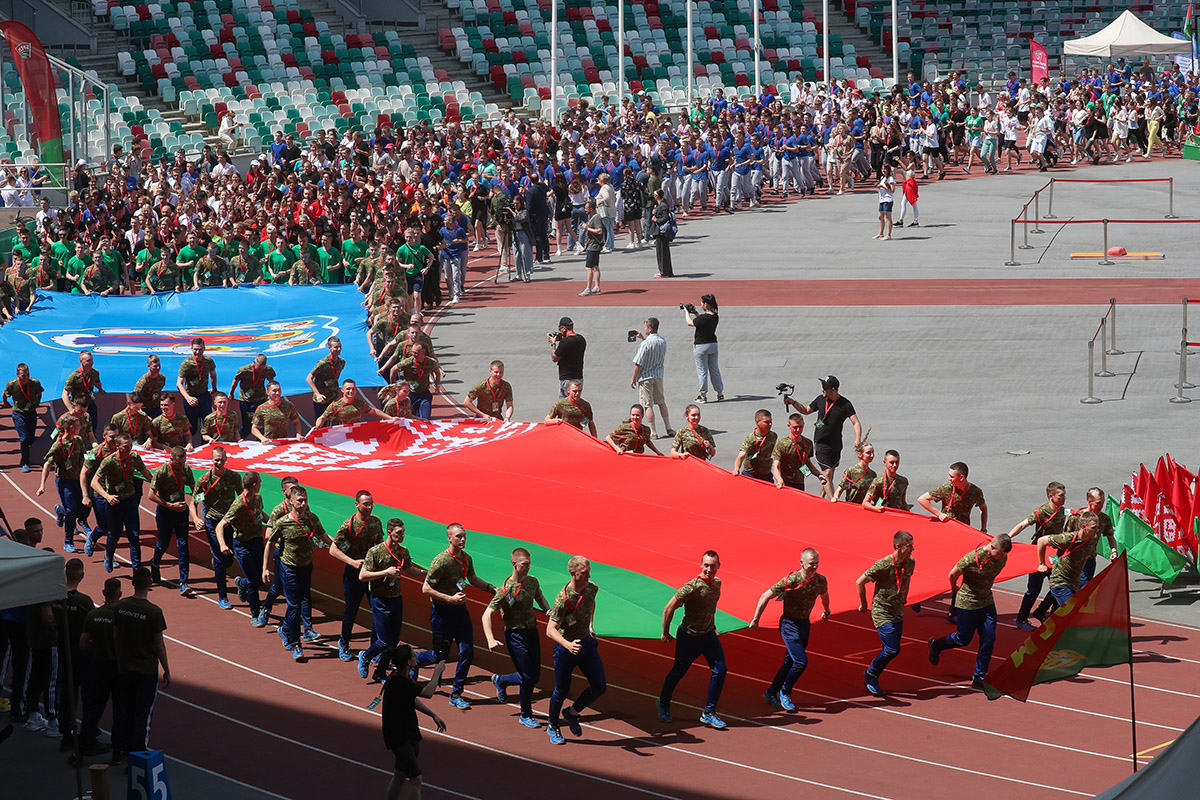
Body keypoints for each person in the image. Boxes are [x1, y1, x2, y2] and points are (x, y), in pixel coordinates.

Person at [412, 523, 496, 708]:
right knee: (438, 655)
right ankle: (416, 659)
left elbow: (472, 579)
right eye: (458, 536)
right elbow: (426, 588)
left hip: (460, 612)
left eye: (464, 536)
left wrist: (490, 588)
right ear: (449, 538)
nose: (463, 539)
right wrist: (449, 599)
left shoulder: (466, 558)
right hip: (441, 613)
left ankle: (456, 694)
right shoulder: (440, 561)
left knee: (467, 651)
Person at [749, 547, 831, 710]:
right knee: (801, 662)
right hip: (789, 624)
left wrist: (826, 610)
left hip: (804, 624)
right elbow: (766, 595)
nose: (814, 567)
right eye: (810, 564)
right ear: (801, 563)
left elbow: (824, 594)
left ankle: (771, 692)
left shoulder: (821, 580)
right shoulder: (791, 580)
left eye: (816, 564)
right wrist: (756, 619)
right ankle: (785, 693)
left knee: (790, 661)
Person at [927, 534, 1012, 688]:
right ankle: (937, 644)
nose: (1002, 557)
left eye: (1004, 555)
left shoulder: (1002, 558)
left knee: (989, 639)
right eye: (1000, 553)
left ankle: (979, 675)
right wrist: (954, 589)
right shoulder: (971, 559)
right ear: (992, 547)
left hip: (986, 602)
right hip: (967, 602)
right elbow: (952, 574)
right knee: (963, 639)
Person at [655, 550, 728, 728]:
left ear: (719, 566)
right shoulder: (692, 586)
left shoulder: (717, 583)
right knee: (679, 670)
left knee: (721, 670)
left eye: (713, 565)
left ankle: (709, 713)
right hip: (689, 637)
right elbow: (668, 608)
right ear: (701, 565)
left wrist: (713, 626)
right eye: (706, 565)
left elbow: (710, 608)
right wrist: (665, 632)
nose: (709, 569)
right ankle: (663, 702)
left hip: (709, 635)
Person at [482, 547, 551, 728]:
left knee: (534, 676)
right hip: (515, 635)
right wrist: (490, 638)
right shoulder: (505, 590)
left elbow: (540, 597)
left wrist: (548, 610)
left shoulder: (532, 582)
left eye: (529, 564)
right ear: (514, 564)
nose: (528, 568)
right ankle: (525, 715)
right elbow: (487, 614)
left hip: (532, 632)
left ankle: (501, 680)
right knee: (528, 677)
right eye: (524, 565)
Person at [262, 486, 333, 660]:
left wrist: (340, 549)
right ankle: (296, 644)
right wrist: (265, 568)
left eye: (305, 500)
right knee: (294, 605)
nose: (303, 504)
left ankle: (285, 628)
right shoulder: (283, 522)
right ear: (291, 501)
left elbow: (324, 537)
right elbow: (270, 543)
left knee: (303, 599)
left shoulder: (312, 519)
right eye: (299, 501)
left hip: (306, 566)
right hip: (289, 568)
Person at [545, 555, 606, 745]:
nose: (588, 576)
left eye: (589, 572)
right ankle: (553, 725)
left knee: (599, 686)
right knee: (561, 690)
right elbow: (550, 630)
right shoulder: (562, 599)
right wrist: (568, 645)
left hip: (586, 644)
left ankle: (572, 712)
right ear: (573, 573)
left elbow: (591, 603)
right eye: (584, 573)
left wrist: (590, 624)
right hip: (566, 649)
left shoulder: (591, 588)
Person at [111, 567, 169, 766]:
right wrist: (166, 668)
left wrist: (120, 657)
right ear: (150, 583)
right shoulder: (154, 612)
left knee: (123, 709)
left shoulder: (121, 606)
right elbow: (158, 644)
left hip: (124, 667)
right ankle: (137, 756)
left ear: (132, 583)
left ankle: (119, 749)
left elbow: (116, 636)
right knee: (142, 714)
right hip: (145, 670)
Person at [358, 518, 428, 678]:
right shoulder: (375, 552)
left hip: (396, 599)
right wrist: (385, 573)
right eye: (398, 533)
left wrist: (426, 574)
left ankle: (380, 671)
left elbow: (410, 570)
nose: (402, 536)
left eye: (403, 533)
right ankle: (366, 656)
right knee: (383, 640)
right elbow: (362, 575)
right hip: (380, 600)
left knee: (393, 641)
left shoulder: (403, 551)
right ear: (389, 532)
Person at [382, 644, 447, 800]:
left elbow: (412, 699)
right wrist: (437, 671)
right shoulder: (397, 681)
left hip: (409, 733)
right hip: (399, 737)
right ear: (408, 662)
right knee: (416, 779)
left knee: (399, 775)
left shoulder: (403, 679)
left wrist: (432, 714)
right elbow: (428, 692)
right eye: (413, 655)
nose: (416, 656)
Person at [856, 530, 915, 697]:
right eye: (909, 546)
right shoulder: (883, 564)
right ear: (898, 546)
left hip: (897, 610)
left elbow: (907, 579)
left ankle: (874, 674)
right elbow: (860, 581)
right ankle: (871, 674)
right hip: (881, 611)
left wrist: (904, 597)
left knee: (889, 648)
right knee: (892, 649)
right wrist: (864, 604)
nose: (912, 549)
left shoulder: (910, 562)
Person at [784, 376, 863, 499]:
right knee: (826, 472)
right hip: (821, 442)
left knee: (830, 474)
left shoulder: (845, 404)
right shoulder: (820, 400)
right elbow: (806, 410)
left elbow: (856, 422)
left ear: (833, 390)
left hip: (836, 443)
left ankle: (821, 497)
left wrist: (857, 438)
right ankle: (832, 500)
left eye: (825, 388)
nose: (822, 390)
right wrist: (792, 402)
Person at [330, 491, 386, 662]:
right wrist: (352, 562)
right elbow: (333, 550)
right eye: (365, 504)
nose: (369, 507)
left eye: (371, 504)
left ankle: (374, 648)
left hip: (371, 574)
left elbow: (380, 544)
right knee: (351, 610)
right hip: (354, 574)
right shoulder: (348, 525)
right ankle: (344, 642)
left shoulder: (376, 521)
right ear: (357, 504)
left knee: (377, 611)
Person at [1009, 481, 1068, 630]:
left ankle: (1041, 611)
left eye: (1064, 495)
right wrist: (1008, 537)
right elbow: (1023, 524)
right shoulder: (1042, 511)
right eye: (1060, 495)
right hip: (1040, 553)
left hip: (1054, 554)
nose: (1064, 498)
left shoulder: (1062, 511)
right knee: (1034, 590)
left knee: (1060, 584)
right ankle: (1021, 618)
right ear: (1051, 496)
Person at [91, 434, 153, 574]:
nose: (129, 448)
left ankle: (136, 569)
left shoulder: (134, 457)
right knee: (114, 534)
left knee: (134, 535)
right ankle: (109, 555)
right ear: (117, 446)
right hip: (114, 503)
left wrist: (157, 485)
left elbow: (146, 474)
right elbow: (94, 482)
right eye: (126, 446)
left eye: (130, 445)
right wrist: (107, 496)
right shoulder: (109, 461)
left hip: (130, 500)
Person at [214, 471, 269, 625]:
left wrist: (272, 523)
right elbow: (220, 526)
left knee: (260, 578)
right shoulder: (238, 504)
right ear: (254, 485)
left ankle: (241, 583)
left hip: (257, 541)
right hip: (243, 544)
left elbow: (260, 514)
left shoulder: (258, 498)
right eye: (260, 482)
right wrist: (223, 544)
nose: (261, 485)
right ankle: (255, 615)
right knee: (253, 581)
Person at [147, 446, 202, 596]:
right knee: (163, 544)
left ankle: (184, 582)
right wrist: (170, 505)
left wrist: (201, 500)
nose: (181, 466)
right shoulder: (161, 472)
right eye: (179, 463)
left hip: (181, 512)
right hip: (166, 512)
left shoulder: (186, 469)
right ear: (171, 459)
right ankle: (155, 563)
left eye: (184, 462)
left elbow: (194, 489)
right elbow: (150, 495)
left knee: (183, 545)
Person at [52, 558, 95, 747]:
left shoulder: (55, 598)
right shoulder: (84, 601)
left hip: (62, 646)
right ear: (82, 576)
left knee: (66, 691)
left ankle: (66, 733)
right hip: (81, 650)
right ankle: (87, 732)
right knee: (88, 693)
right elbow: (92, 627)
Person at [77, 577, 121, 759]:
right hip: (118, 668)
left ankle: (85, 743)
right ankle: (118, 751)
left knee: (93, 708)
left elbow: (83, 644)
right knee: (120, 709)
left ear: (103, 593)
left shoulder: (92, 615)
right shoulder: (121, 616)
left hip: (98, 666)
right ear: (120, 595)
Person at [196, 446, 243, 609]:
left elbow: (242, 497)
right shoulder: (204, 480)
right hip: (212, 522)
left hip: (230, 521)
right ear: (211, 459)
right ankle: (222, 596)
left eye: (222, 460)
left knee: (230, 557)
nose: (219, 463)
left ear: (226, 459)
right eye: (216, 460)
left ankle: (229, 571)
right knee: (220, 560)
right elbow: (194, 501)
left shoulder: (234, 477)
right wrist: (196, 518)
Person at [37, 416, 90, 553]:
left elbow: (85, 456)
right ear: (71, 428)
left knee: (83, 507)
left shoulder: (78, 440)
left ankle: (61, 511)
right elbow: (48, 464)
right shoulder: (58, 446)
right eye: (78, 425)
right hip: (65, 481)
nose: (80, 428)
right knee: (72, 512)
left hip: (79, 480)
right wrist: (42, 485)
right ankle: (68, 541)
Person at [1036, 511, 1101, 608]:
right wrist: (1042, 563)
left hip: (1074, 583)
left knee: (1062, 614)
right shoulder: (1068, 539)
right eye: (1093, 528)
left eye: (1097, 527)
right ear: (1083, 527)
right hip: (1060, 581)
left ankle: (1040, 612)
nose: (1097, 531)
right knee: (1071, 611)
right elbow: (1041, 541)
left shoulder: (1092, 539)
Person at [630, 317, 672, 438]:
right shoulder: (662, 341)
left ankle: (653, 431)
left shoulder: (645, 344)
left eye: (645, 327)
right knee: (661, 402)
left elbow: (639, 363)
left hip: (646, 377)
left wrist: (633, 378)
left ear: (649, 328)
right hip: (658, 375)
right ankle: (668, 427)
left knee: (647, 405)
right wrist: (643, 337)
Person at [2, 362, 43, 472]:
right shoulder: (12, 384)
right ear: (17, 374)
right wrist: (6, 402)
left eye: (28, 375)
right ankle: (25, 462)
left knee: (30, 439)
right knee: (24, 439)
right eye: (23, 376)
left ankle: (27, 447)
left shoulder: (34, 383)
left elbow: (39, 393)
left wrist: (37, 403)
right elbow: (4, 394)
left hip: (31, 412)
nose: (26, 378)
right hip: (18, 413)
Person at [770, 413, 826, 492]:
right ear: (789, 426)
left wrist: (818, 475)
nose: (798, 430)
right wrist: (779, 480)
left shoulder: (808, 443)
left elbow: (807, 462)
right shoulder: (782, 444)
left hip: (799, 482)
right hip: (785, 483)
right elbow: (776, 466)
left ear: (803, 424)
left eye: (800, 427)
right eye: (795, 427)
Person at [1075, 488, 1119, 587]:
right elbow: (1064, 537)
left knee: (1085, 588)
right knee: (1082, 588)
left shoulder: (1104, 519)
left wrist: (1114, 551)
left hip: (1090, 560)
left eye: (1102, 502)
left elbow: (1111, 539)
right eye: (1098, 503)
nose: (1101, 506)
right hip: (1075, 559)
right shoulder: (1077, 517)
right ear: (1089, 502)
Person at [177, 337, 218, 441]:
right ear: (191, 349)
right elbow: (179, 384)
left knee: (207, 427)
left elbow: (213, 375)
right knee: (192, 428)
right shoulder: (186, 363)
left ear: (204, 349)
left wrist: (214, 389)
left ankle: (205, 450)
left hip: (204, 396)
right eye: (195, 349)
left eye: (200, 349)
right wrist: (188, 398)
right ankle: (181, 446)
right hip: (191, 398)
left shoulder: (208, 361)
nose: (198, 352)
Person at [684, 294, 723, 402]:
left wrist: (686, 312)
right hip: (713, 345)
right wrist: (696, 313)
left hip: (701, 346)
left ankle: (703, 395)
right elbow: (701, 321)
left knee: (702, 371)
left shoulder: (703, 318)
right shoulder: (715, 316)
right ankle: (720, 393)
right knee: (714, 369)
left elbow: (690, 323)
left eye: (702, 302)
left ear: (705, 304)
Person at [314, 379, 393, 428]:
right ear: (342, 390)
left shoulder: (360, 403)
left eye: (353, 389)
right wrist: (317, 426)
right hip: (340, 436)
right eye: (348, 389)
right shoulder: (335, 405)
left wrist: (391, 418)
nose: (351, 391)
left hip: (355, 435)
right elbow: (322, 418)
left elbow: (374, 411)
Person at [228, 353, 274, 438]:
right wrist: (231, 393)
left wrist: (270, 393)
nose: (260, 370)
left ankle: (261, 441)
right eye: (258, 367)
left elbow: (271, 381)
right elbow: (235, 381)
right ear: (254, 362)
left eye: (262, 368)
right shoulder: (244, 370)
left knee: (261, 423)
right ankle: (239, 440)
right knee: (247, 426)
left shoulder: (268, 369)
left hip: (260, 399)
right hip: (246, 401)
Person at [395, 343, 442, 421]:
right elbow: (393, 370)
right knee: (410, 419)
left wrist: (437, 386)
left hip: (424, 394)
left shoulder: (431, 362)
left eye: (416, 353)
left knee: (425, 419)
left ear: (423, 352)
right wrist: (394, 385)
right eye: (412, 352)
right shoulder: (408, 362)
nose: (413, 354)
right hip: (410, 395)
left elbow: (437, 371)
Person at [62, 350, 103, 440]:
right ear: (81, 361)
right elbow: (65, 394)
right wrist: (71, 410)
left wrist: (101, 389)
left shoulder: (95, 373)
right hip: (78, 407)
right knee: (77, 430)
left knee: (92, 427)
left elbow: (97, 382)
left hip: (89, 404)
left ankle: (91, 445)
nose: (91, 363)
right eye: (88, 361)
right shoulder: (74, 376)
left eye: (92, 360)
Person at [732, 409, 778, 482]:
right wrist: (736, 469)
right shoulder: (751, 438)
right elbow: (740, 456)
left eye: (770, 421)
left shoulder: (773, 436)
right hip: (751, 475)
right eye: (766, 422)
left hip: (766, 475)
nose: (770, 424)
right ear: (757, 422)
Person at [307, 336, 345, 420]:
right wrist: (317, 394)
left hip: (334, 398)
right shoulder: (323, 363)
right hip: (322, 400)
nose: (338, 349)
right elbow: (309, 378)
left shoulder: (342, 362)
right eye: (336, 347)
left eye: (340, 346)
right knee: (321, 423)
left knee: (336, 422)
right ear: (329, 348)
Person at [549, 317, 586, 398]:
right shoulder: (581, 339)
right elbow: (571, 342)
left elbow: (554, 358)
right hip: (578, 378)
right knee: (575, 403)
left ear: (564, 328)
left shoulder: (564, 342)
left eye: (560, 329)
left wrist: (553, 344)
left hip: (567, 379)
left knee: (564, 406)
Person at [579, 198, 604, 296]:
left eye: (587, 208)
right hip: (592, 245)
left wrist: (587, 228)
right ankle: (597, 286)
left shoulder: (596, 218)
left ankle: (588, 288)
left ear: (592, 209)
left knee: (588, 267)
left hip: (593, 246)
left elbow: (599, 231)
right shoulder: (592, 217)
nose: (585, 210)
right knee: (595, 266)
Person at [133, 355, 166, 420]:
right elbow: (135, 400)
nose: (158, 368)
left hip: (157, 407)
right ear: (149, 366)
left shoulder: (162, 378)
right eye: (155, 366)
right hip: (144, 409)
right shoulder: (142, 382)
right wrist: (144, 415)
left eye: (159, 365)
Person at [650, 190, 674, 278]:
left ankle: (664, 272)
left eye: (654, 195)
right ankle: (667, 271)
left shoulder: (663, 206)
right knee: (663, 252)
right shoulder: (660, 205)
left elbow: (665, 217)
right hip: (660, 232)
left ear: (657, 196)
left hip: (661, 232)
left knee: (662, 252)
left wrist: (657, 220)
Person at [873, 164, 895, 241]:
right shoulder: (882, 178)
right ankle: (881, 233)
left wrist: (883, 187)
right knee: (880, 216)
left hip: (888, 199)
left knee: (888, 217)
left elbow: (892, 190)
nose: (883, 170)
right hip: (882, 199)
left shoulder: (890, 179)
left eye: (885, 169)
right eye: (882, 169)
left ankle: (888, 235)